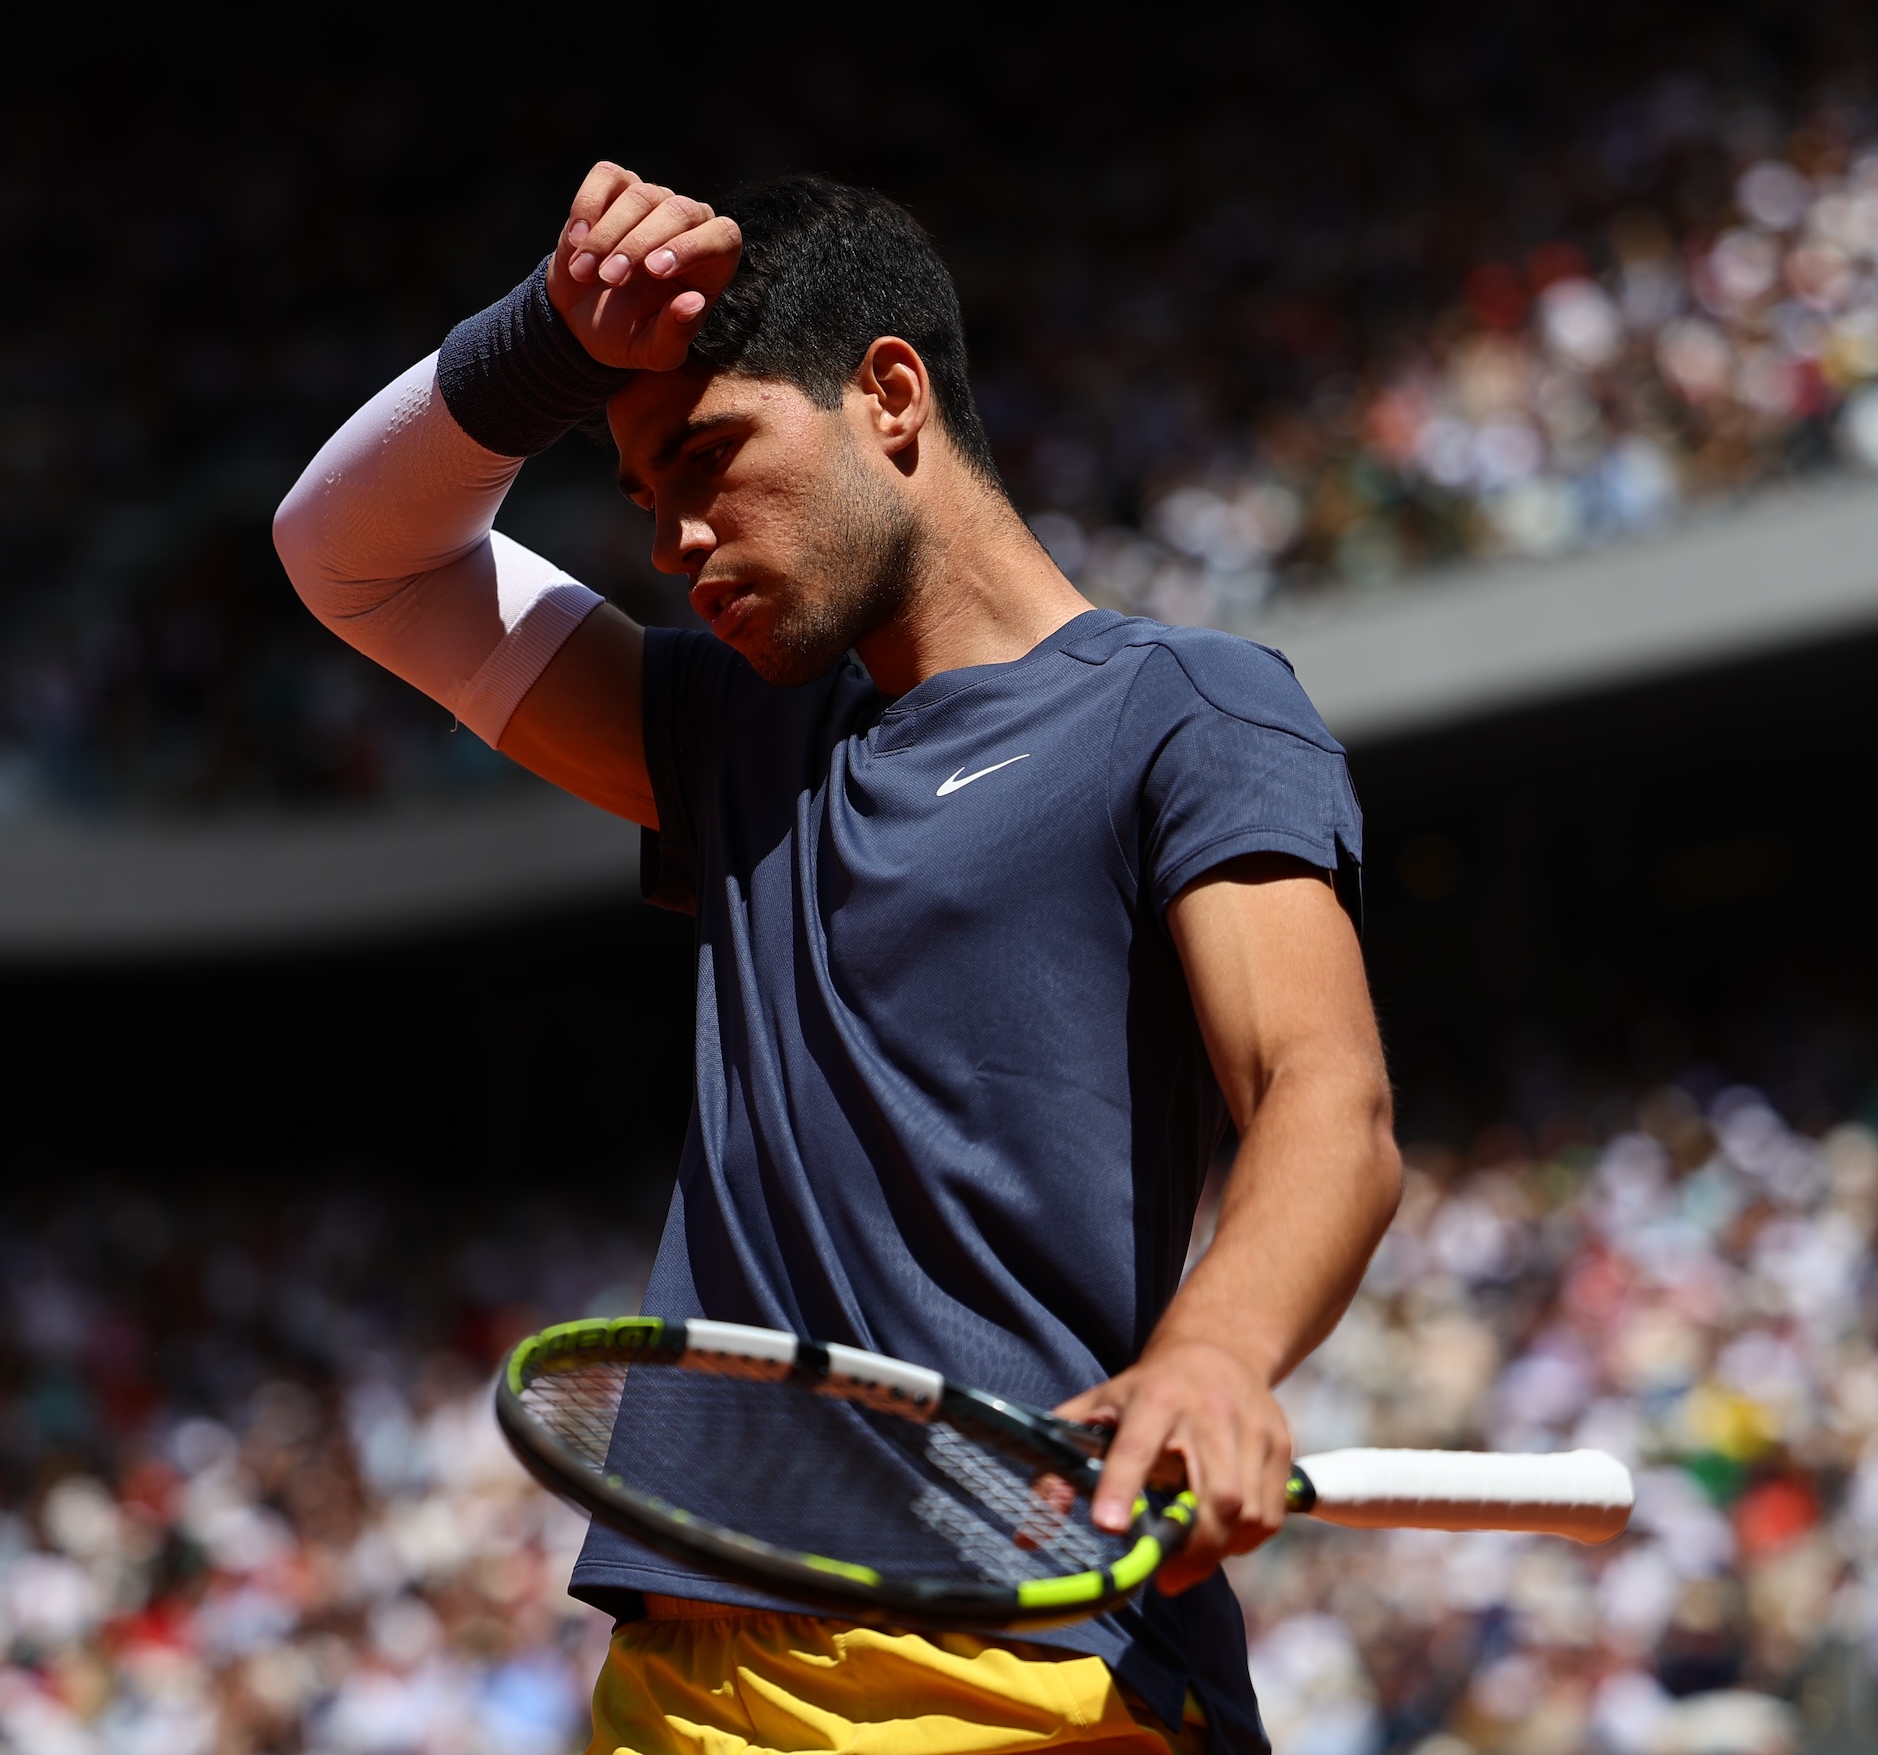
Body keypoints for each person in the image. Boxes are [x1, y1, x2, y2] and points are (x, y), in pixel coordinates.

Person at [274, 164, 1403, 1755]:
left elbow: (1323, 1093)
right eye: (642, 488)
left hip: (1023, 1669)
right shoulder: (736, 732)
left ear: (889, 395)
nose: (668, 538)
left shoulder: (1189, 708)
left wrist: (1216, 1354)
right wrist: (550, 338)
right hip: (681, 1681)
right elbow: (348, 554)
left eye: (709, 459)